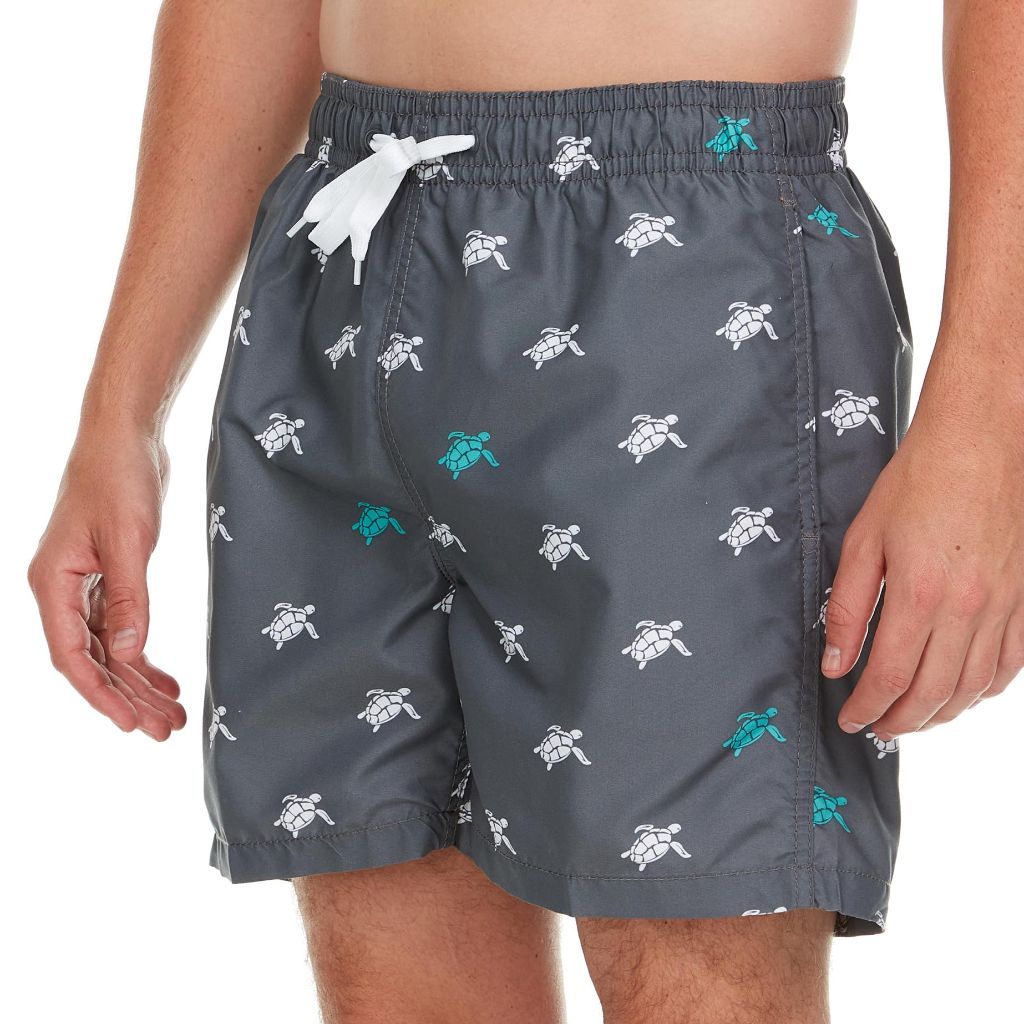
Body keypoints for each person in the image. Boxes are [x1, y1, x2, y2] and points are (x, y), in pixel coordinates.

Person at [28, 1, 1023, 1021]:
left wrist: (987, 428)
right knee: (392, 956)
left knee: (694, 950)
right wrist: (123, 411)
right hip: (347, 246)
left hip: (682, 280)